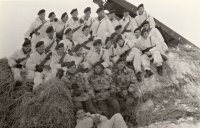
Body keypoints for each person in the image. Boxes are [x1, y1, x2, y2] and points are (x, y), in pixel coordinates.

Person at [112, 58, 139, 125]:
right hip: (120, 93)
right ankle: (125, 120)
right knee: (122, 105)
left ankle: (131, 119)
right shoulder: (115, 73)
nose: (120, 65)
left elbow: (134, 82)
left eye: (122, 63)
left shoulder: (130, 71)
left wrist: (129, 90)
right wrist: (119, 91)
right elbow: (113, 84)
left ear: (124, 64)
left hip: (130, 92)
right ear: (117, 64)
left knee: (128, 104)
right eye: (119, 63)